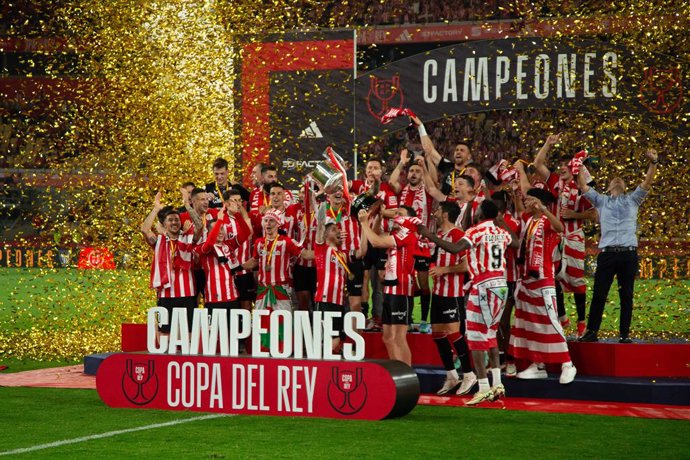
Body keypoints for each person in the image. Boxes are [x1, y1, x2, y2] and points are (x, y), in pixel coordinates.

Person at [420, 200, 516, 405]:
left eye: (477, 209)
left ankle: (482, 387)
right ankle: (497, 384)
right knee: (490, 334)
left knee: (475, 337)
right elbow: (515, 242)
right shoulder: (501, 232)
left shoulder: (476, 232)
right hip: (501, 284)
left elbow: (455, 249)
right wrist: (500, 222)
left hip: (483, 285)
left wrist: (429, 236)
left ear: (481, 214)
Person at [578, 148, 659, 343]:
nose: (617, 180)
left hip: (628, 253)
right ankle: (592, 332)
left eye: (621, 180)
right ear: (607, 187)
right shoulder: (601, 200)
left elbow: (647, 183)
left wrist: (654, 163)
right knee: (599, 293)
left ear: (625, 186)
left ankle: (624, 334)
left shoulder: (633, 199)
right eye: (614, 180)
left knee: (627, 294)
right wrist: (579, 165)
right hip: (607, 254)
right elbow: (583, 186)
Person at [509, 188, 577, 385]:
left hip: (544, 279)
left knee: (550, 320)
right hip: (527, 279)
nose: (527, 202)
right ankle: (537, 365)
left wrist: (545, 210)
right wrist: (515, 194)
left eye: (530, 199)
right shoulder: (530, 221)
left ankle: (567, 363)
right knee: (529, 324)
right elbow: (521, 209)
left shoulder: (546, 221)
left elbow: (560, 228)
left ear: (539, 202)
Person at [532, 134, 597, 337]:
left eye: (566, 166)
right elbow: (537, 163)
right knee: (554, 277)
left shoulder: (583, 188)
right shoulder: (555, 183)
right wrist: (547, 143)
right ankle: (562, 318)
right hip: (555, 236)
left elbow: (594, 213)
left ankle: (581, 322)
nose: (561, 169)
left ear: (575, 169)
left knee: (577, 280)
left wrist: (575, 215)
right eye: (561, 166)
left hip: (575, 237)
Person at [358, 206, 418, 366]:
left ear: (409, 219)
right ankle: (399, 371)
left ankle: (408, 375)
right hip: (390, 290)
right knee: (388, 337)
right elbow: (376, 235)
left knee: (398, 337)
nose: (395, 216)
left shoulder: (408, 233)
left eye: (400, 214)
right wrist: (375, 218)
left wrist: (364, 223)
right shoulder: (396, 234)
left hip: (401, 289)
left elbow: (376, 242)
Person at [425, 201, 471, 395]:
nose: (434, 213)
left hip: (452, 293)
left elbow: (466, 266)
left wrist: (445, 270)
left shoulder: (458, 235)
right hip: (438, 292)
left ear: (445, 214)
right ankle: (452, 375)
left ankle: (469, 373)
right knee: (437, 334)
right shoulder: (442, 236)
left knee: (453, 332)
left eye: (437, 210)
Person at [140, 192, 198, 335]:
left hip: (188, 292)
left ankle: (188, 356)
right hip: (166, 292)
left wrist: (187, 206)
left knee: (190, 331)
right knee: (165, 331)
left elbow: (199, 225)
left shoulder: (187, 238)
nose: (174, 222)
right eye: (170, 220)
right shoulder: (159, 241)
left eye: (177, 220)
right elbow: (144, 229)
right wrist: (156, 209)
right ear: (164, 224)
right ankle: (165, 356)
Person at [389, 149, 434, 333]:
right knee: (405, 282)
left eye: (417, 171)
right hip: (404, 244)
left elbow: (434, 184)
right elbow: (392, 182)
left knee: (424, 285)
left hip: (422, 245)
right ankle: (406, 318)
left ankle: (424, 320)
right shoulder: (403, 190)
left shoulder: (428, 190)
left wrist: (426, 166)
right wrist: (401, 162)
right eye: (411, 171)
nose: (414, 174)